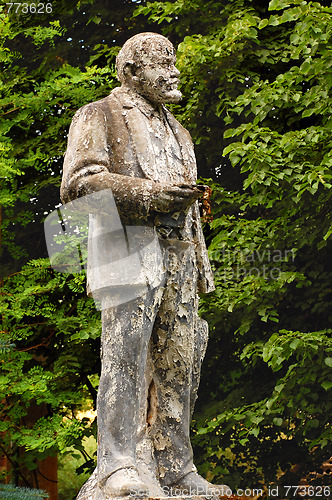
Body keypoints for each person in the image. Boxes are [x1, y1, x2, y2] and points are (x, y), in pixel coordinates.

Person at [61, 32, 229, 499]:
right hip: (127, 252)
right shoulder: (99, 114)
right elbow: (78, 186)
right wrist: (149, 196)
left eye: (173, 63)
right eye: (162, 63)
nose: (173, 72)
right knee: (125, 358)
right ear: (132, 71)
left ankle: (176, 467)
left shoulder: (180, 130)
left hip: (181, 261)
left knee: (181, 362)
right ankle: (118, 466)